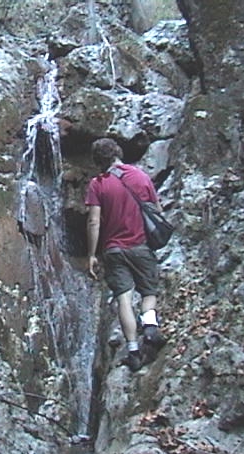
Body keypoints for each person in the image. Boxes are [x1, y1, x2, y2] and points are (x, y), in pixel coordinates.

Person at [84, 138, 166, 372]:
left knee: (124, 299)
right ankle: (150, 326)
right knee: (149, 291)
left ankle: (133, 351)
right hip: (140, 245)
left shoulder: (98, 183)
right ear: (118, 153)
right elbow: (157, 210)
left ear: (98, 160)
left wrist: (92, 254)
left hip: (113, 249)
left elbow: (93, 221)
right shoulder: (141, 176)